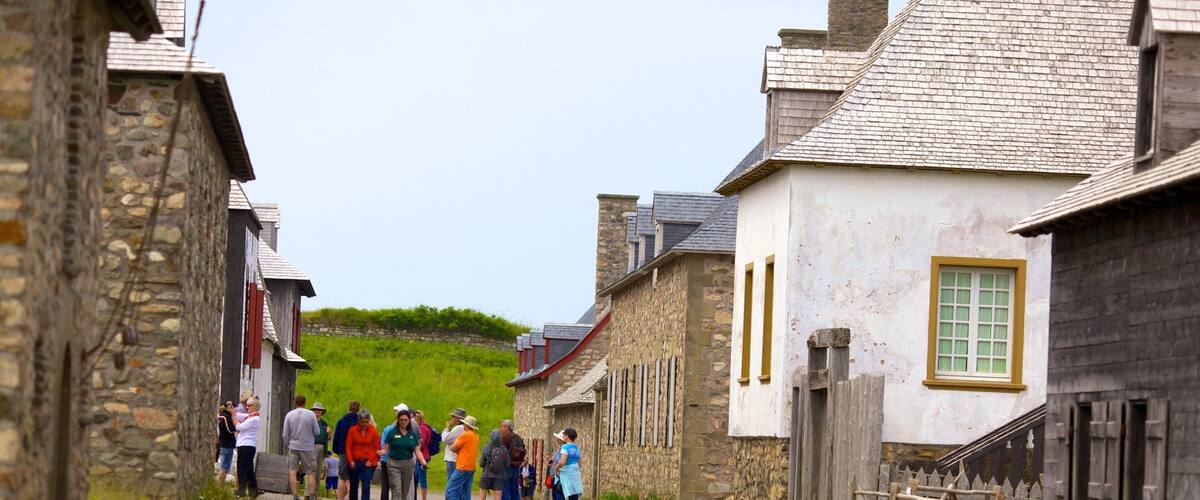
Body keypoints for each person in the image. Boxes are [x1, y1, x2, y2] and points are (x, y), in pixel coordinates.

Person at [282, 394, 321, 500]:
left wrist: (288, 444)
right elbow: (317, 431)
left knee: (292, 471)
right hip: (307, 447)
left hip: (293, 446)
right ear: (305, 402)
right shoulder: (311, 415)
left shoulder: (289, 415)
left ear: (295, 402)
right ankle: (312, 496)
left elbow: (285, 434)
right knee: (311, 472)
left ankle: (295, 495)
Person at [384, 410, 427, 500]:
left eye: (405, 420)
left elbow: (417, 451)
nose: (403, 422)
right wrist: (382, 452)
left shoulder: (412, 435)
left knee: (404, 491)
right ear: (398, 420)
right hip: (394, 464)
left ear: (409, 421)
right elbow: (386, 448)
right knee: (397, 491)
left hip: (407, 464)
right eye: (401, 419)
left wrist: (423, 461)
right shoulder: (392, 433)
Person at [344, 409, 381, 500]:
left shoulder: (373, 431)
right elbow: (348, 447)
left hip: (368, 463)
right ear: (359, 421)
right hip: (355, 462)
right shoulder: (352, 430)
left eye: (366, 422)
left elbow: (377, 448)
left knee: (366, 486)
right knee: (353, 487)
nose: (364, 424)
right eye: (362, 422)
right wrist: (350, 461)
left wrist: (370, 461)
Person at [331, 401, 361, 500]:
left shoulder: (341, 421)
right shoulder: (360, 422)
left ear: (348, 408)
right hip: (356, 454)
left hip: (343, 453)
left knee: (343, 477)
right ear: (358, 410)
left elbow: (336, 439)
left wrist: (337, 451)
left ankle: (340, 498)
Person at [445, 415, 480, 500]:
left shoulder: (465, 435)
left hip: (462, 466)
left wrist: (459, 451)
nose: (463, 425)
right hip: (471, 466)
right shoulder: (475, 436)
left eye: (464, 423)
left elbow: (453, 447)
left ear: (467, 425)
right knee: (466, 491)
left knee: (450, 489)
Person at [234, 397, 262, 497]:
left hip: (245, 446)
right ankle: (253, 492)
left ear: (255, 407)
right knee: (249, 470)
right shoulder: (250, 416)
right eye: (247, 405)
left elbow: (239, 427)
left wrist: (234, 418)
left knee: (241, 469)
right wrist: (232, 410)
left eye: (249, 405)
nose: (247, 407)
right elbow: (240, 415)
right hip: (248, 446)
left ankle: (241, 492)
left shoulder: (254, 419)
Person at [550, 429, 582, 500]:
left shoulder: (565, 447)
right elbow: (580, 464)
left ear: (567, 436)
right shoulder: (577, 448)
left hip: (565, 479)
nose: (563, 436)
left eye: (564, 435)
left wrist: (556, 469)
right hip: (575, 479)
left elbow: (562, 462)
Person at [479, 429, 509, 500]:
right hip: (499, 476)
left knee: (482, 496)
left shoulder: (486, 447)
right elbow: (507, 464)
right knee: (498, 497)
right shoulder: (504, 449)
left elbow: (481, 463)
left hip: (486, 475)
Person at [499, 420, 525, 500]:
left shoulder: (504, 437)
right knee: (515, 490)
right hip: (516, 466)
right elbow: (523, 450)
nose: (501, 429)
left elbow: (501, 452)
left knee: (505, 490)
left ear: (507, 427)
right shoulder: (518, 437)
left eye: (502, 426)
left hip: (506, 467)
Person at [413, 410, 434, 500]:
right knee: (415, 479)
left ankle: (423, 498)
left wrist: (413, 447)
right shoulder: (424, 426)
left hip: (421, 457)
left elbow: (422, 444)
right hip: (423, 455)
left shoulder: (422, 428)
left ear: (418, 418)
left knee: (422, 480)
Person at [442, 408, 467, 479]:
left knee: (451, 482)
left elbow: (445, 439)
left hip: (452, 458)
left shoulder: (458, 428)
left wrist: (446, 428)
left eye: (453, 416)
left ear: (458, 418)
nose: (451, 418)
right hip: (457, 458)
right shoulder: (463, 427)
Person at [216, 401, 237, 485]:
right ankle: (219, 487)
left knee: (224, 467)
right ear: (228, 407)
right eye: (232, 407)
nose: (234, 408)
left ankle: (221, 486)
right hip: (227, 445)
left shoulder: (222, 417)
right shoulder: (226, 417)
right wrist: (235, 422)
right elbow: (230, 429)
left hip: (224, 444)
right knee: (224, 468)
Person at [312, 402, 330, 485]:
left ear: (322, 412)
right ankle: (308, 494)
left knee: (319, 471)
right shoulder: (311, 422)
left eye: (319, 410)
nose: (317, 412)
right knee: (312, 470)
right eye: (316, 410)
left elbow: (328, 438)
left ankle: (315, 494)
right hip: (313, 446)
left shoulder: (324, 424)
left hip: (323, 447)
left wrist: (330, 433)